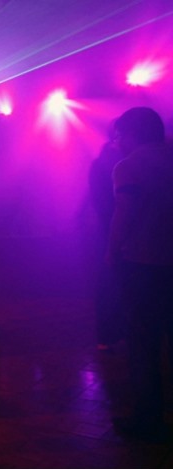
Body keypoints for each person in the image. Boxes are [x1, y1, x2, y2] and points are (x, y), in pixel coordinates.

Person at [107, 107, 173, 442]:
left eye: (119, 134)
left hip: (143, 264)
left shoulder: (128, 166)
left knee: (143, 344)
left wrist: (111, 250)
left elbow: (125, 212)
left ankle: (149, 419)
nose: (116, 141)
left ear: (132, 134)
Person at [88, 140, 125, 351]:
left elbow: (99, 203)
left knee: (108, 285)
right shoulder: (122, 165)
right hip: (115, 232)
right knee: (115, 285)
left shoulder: (100, 164)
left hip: (105, 231)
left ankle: (108, 336)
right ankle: (114, 335)